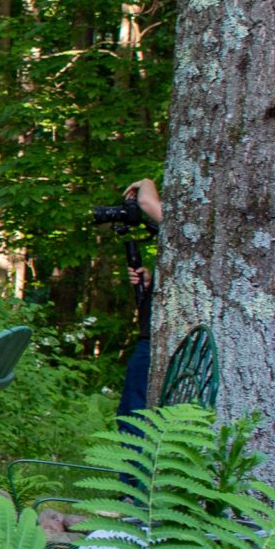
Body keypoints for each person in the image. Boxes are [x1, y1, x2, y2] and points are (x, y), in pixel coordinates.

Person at [118, 177, 164, 423]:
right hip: (151, 336)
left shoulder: (199, 217)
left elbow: (146, 202)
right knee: (129, 412)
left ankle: (136, 463)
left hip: (155, 342)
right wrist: (151, 284)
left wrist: (144, 182)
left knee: (135, 415)